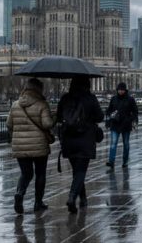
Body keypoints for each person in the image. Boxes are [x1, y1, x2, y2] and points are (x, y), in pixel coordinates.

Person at [56, 76, 104, 213]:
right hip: (85, 139)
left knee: (76, 171)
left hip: (69, 140)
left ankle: (83, 199)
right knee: (81, 171)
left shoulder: (65, 98)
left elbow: (59, 116)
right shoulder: (90, 98)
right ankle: (72, 197)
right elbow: (100, 116)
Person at [7, 77, 54, 213]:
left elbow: (9, 124)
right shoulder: (42, 104)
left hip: (20, 146)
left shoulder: (15, 104)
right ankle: (38, 203)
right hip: (39, 146)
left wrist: (16, 136)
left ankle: (20, 193)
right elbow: (47, 124)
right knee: (40, 174)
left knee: (26, 174)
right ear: (39, 89)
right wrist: (53, 117)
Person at [106, 82, 138, 168]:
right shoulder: (113, 99)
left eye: (122, 90)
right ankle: (111, 161)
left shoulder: (130, 99)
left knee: (126, 144)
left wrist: (130, 119)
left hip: (126, 125)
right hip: (115, 124)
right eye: (119, 90)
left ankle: (125, 161)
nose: (120, 91)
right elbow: (108, 110)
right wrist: (111, 115)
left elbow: (135, 112)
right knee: (113, 143)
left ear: (125, 90)